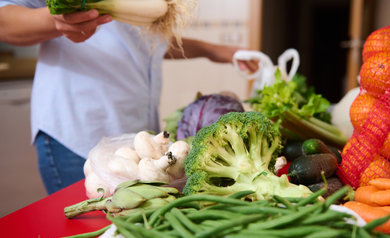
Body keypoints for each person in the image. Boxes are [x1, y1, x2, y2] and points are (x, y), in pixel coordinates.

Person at [0, 1, 256, 195]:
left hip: (133, 141)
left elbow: (145, 44)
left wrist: (214, 51)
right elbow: (5, 19)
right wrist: (58, 20)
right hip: (78, 132)